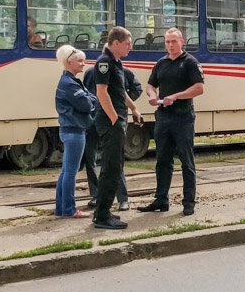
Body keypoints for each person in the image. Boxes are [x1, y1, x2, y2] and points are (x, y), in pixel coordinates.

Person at [139, 27, 205, 216]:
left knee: (186, 161)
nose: (170, 45)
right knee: (162, 160)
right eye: (167, 42)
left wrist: (176, 96)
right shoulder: (161, 63)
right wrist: (152, 95)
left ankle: (189, 202)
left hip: (183, 118)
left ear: (181, 42)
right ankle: (161, 200)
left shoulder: (190, 62)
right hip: (164, 117)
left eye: (173, 41)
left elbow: (199, 88)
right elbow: (151, 85)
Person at [83, 33, 143, 211]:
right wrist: (114, 118)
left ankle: (107, 209)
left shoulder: (117, 63)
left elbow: (120, 91)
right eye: (127, 44)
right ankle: (102, 212)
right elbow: (102, 92)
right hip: (111, 121)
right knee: (110, 167)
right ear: (116, 43)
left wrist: (133, 108)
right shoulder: (104, 62)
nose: (130, 47)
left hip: (117, 120)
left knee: (115, 165)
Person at [53, 44, 97, 219]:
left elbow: (88, 100)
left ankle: (61, 208)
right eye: (79, 61)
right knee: (70, 172)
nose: (83, 64)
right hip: (75, 130)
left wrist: (89, 99)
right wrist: (91, 100)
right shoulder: (69, 84)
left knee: (66, 171)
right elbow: (87, 104)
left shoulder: (69, 82)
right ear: (69, 62)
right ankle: (70, 209)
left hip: (70, 129)